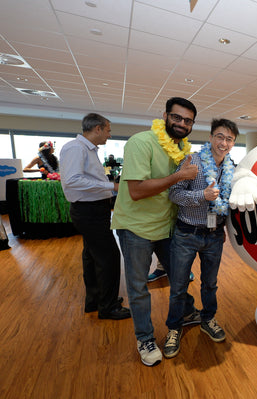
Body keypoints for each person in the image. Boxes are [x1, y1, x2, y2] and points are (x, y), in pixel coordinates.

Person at [111, 97, 199, 367]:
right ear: (165, 116)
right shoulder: (141, 142)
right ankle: (145, 339)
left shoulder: (183, 149)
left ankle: (186, 311)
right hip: (136, 227)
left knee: (180, 276)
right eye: (177, 117)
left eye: (188, 120)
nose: (182, 124)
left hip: (167, 225)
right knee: (138, 288)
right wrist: (178, 177)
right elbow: (136, 191)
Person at [162, 118, 238, 359]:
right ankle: (174, 328)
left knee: (210, 284)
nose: (223, 142)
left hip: (214, 236)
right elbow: (174, 193)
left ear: (233, 143)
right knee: (178, 286)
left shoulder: (231, 168)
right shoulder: (193, 161)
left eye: (229, 139)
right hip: (187, 233)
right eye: (219, 136)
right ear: (210, 137)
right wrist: (202, 196)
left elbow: (228, 202)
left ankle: (208, 319)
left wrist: (224, 227)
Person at [60, 113, 130, 320]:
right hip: (88, 211)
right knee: (109, 257)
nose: (109, 134)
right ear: (97, 129)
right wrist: (111, 186)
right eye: (108, 130)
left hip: (93, 210)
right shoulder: (76, 148)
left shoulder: (86, 149)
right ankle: (108, 307)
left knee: (92, 257)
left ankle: (96, 300)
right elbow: (72, 180)